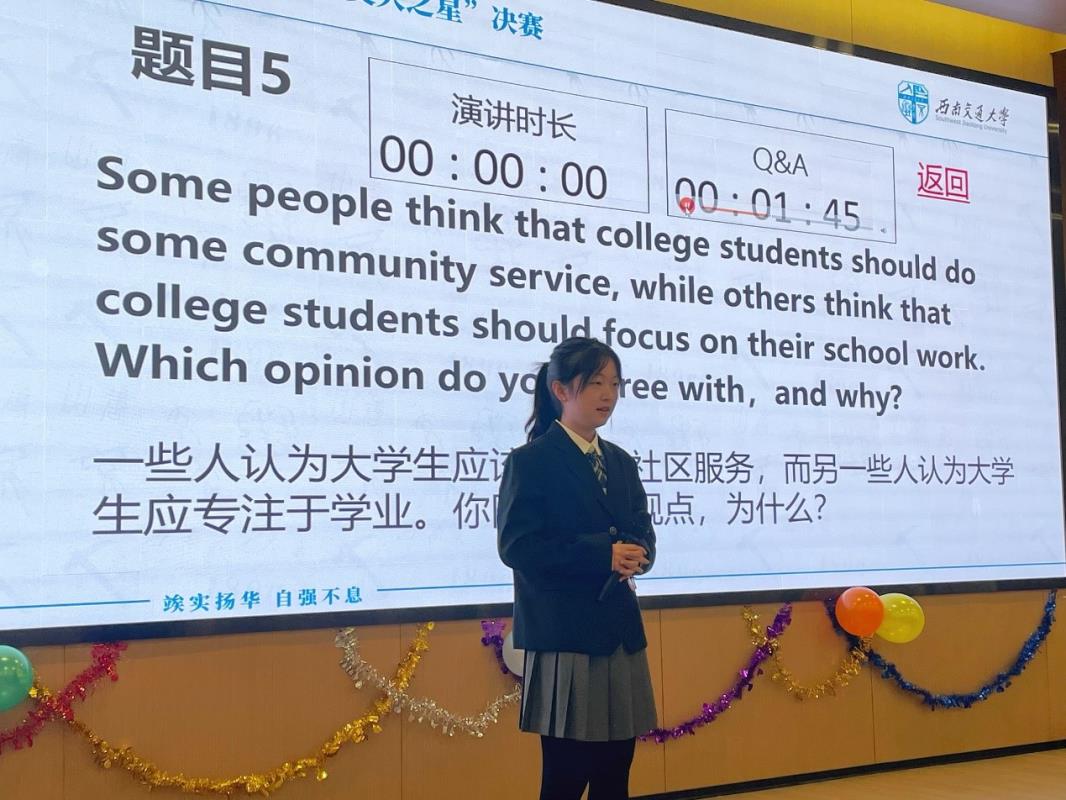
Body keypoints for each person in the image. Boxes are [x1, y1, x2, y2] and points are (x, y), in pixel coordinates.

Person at [497, 337, 658, 800]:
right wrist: (602, 554)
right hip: (565, 637)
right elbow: (518, 547)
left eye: (615, 384)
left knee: (615, 773)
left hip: (619, 634)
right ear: (561, 389)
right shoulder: (531, 461)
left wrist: (640, 555)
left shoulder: (621, 463)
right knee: (565, 778)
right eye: (595, 383)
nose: (608, 395)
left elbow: (643, 534)